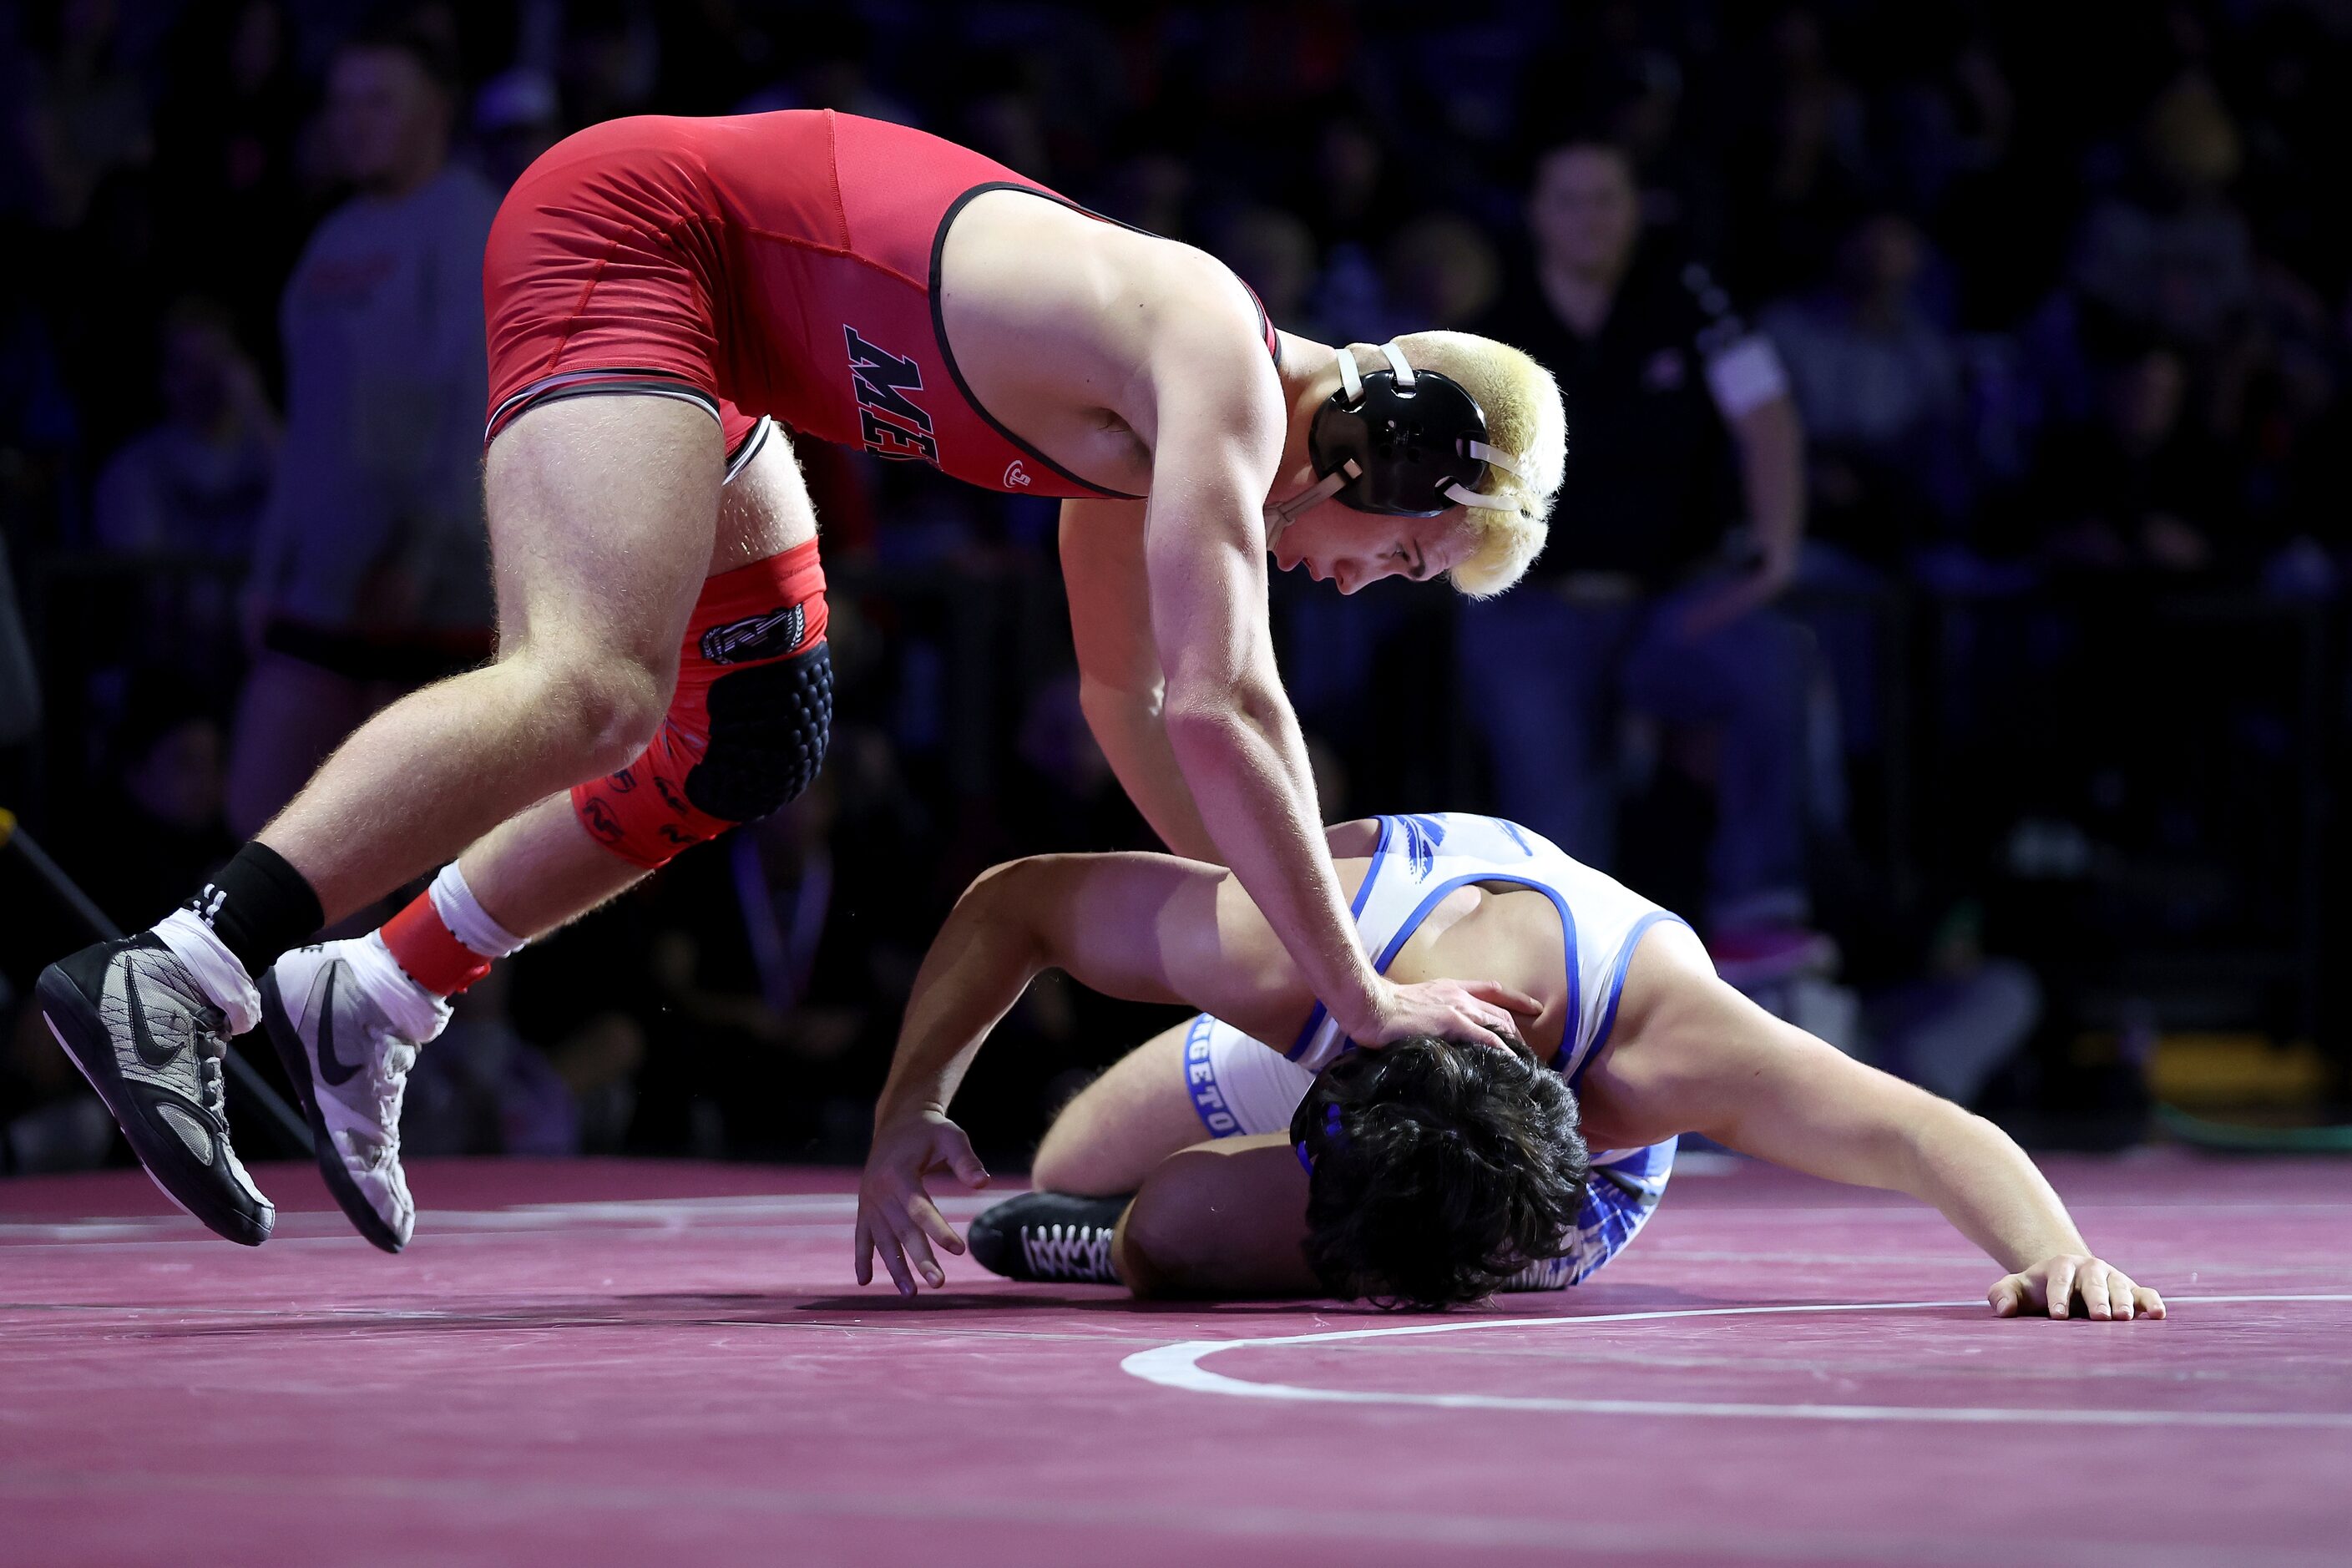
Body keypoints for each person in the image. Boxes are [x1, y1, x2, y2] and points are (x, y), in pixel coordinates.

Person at [37, 107, 1565, 1251]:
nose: (1366, 581)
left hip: (728, 336)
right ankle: (184, 965)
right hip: (643, 234)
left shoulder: (1151, 441)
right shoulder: (1215, 359)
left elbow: (1139, 706)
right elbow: (1233, 703)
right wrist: (1356, 990)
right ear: (1398, 446)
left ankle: (371, 989)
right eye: (1407, 556)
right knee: (596, 682)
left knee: (750, 733)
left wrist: (1275, 942)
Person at [854, 812, 2162, 1323]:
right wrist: (908, 1109)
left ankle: (1193, 1230)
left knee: (1180, 1228)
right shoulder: (1292, 951)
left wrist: (2053, 1248)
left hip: (1553, 1180)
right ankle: (1230, 1206)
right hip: (1348, 1006)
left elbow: (1927, 1131)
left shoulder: (1660, 1052)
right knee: (1073, 1159)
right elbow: (1016, 901)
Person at [1460, 135, 1823, 984]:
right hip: (1535, 609)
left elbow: (1767, 414)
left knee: (1772, 660)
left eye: (1607, 199)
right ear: (1536, 214)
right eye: (1570, 200)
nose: (1590, 220)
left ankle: (1757, 906)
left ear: (1636, 209)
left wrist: (1776, 552)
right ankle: (1569, 990)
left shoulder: (1688, 298)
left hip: (1672, 602)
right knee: (1558, 832)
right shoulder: (1496, 314)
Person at [228, 23, 500, 838]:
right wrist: (271, 567)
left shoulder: (470, 229)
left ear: (437, 112)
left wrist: (418, 555)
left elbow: (473, 408)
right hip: (324, 593)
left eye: (379, 101)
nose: (354, 121)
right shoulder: (333, 239)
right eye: (342, 103)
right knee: (274, 825)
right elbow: (310, 431)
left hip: (431, 595)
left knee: (436, 865)